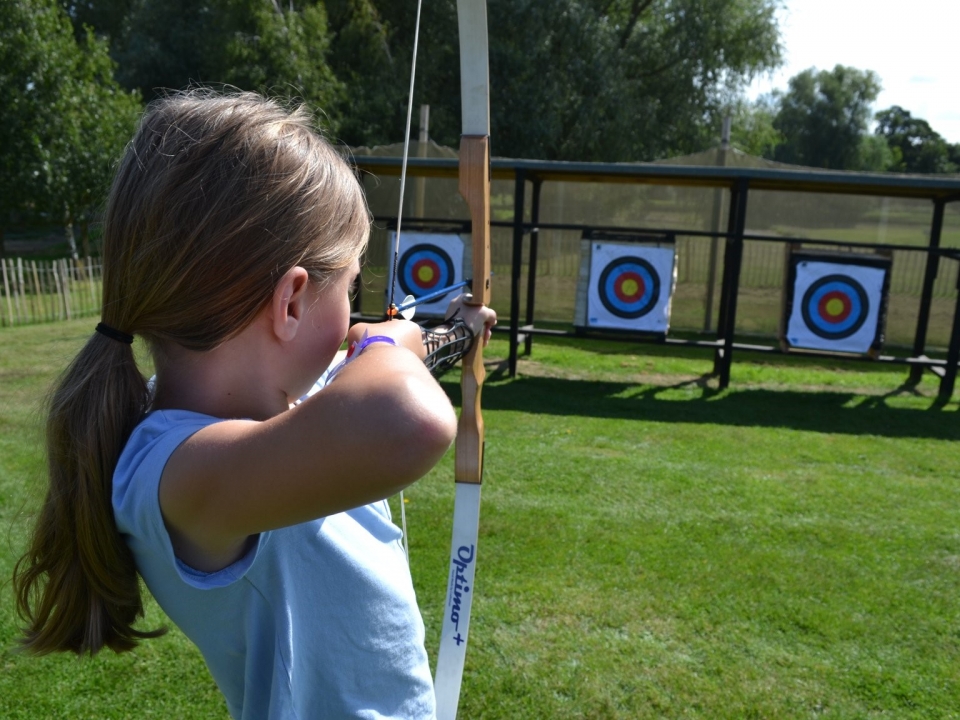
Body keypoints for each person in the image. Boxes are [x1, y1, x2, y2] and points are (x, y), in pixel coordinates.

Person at [13, 90, 496, 720]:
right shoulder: (171, 470)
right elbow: (409, 419)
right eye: (350, 289)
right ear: (290, 301)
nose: (355, 315)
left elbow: (353, 378)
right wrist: (382, 342)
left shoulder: (280, 414)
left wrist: (453, 332)